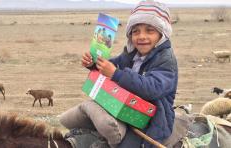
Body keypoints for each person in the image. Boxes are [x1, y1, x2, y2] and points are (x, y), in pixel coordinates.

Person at [59, 1, 178, 148]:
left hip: (152, 120)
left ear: (162, 34)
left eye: (149, 30)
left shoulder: (166, 60)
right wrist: (94, 64)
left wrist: (117, 74)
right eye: (136, 31)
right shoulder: (132, 54)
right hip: (126, 109)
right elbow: (113, 65)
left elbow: (152, 88)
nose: (142, 36)